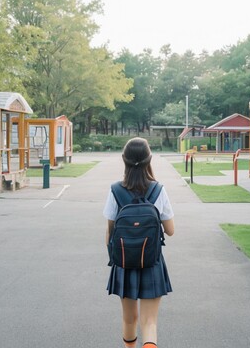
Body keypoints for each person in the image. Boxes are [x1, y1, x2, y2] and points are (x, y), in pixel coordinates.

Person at [103, 137, 175, 348]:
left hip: (124, 262)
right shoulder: (158, 190)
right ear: (149, 160)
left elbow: (110, 231)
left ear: (124, 160)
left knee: (129, 319)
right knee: (149, 321)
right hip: (152, 261)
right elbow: (170, 231)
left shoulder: (115, 190)